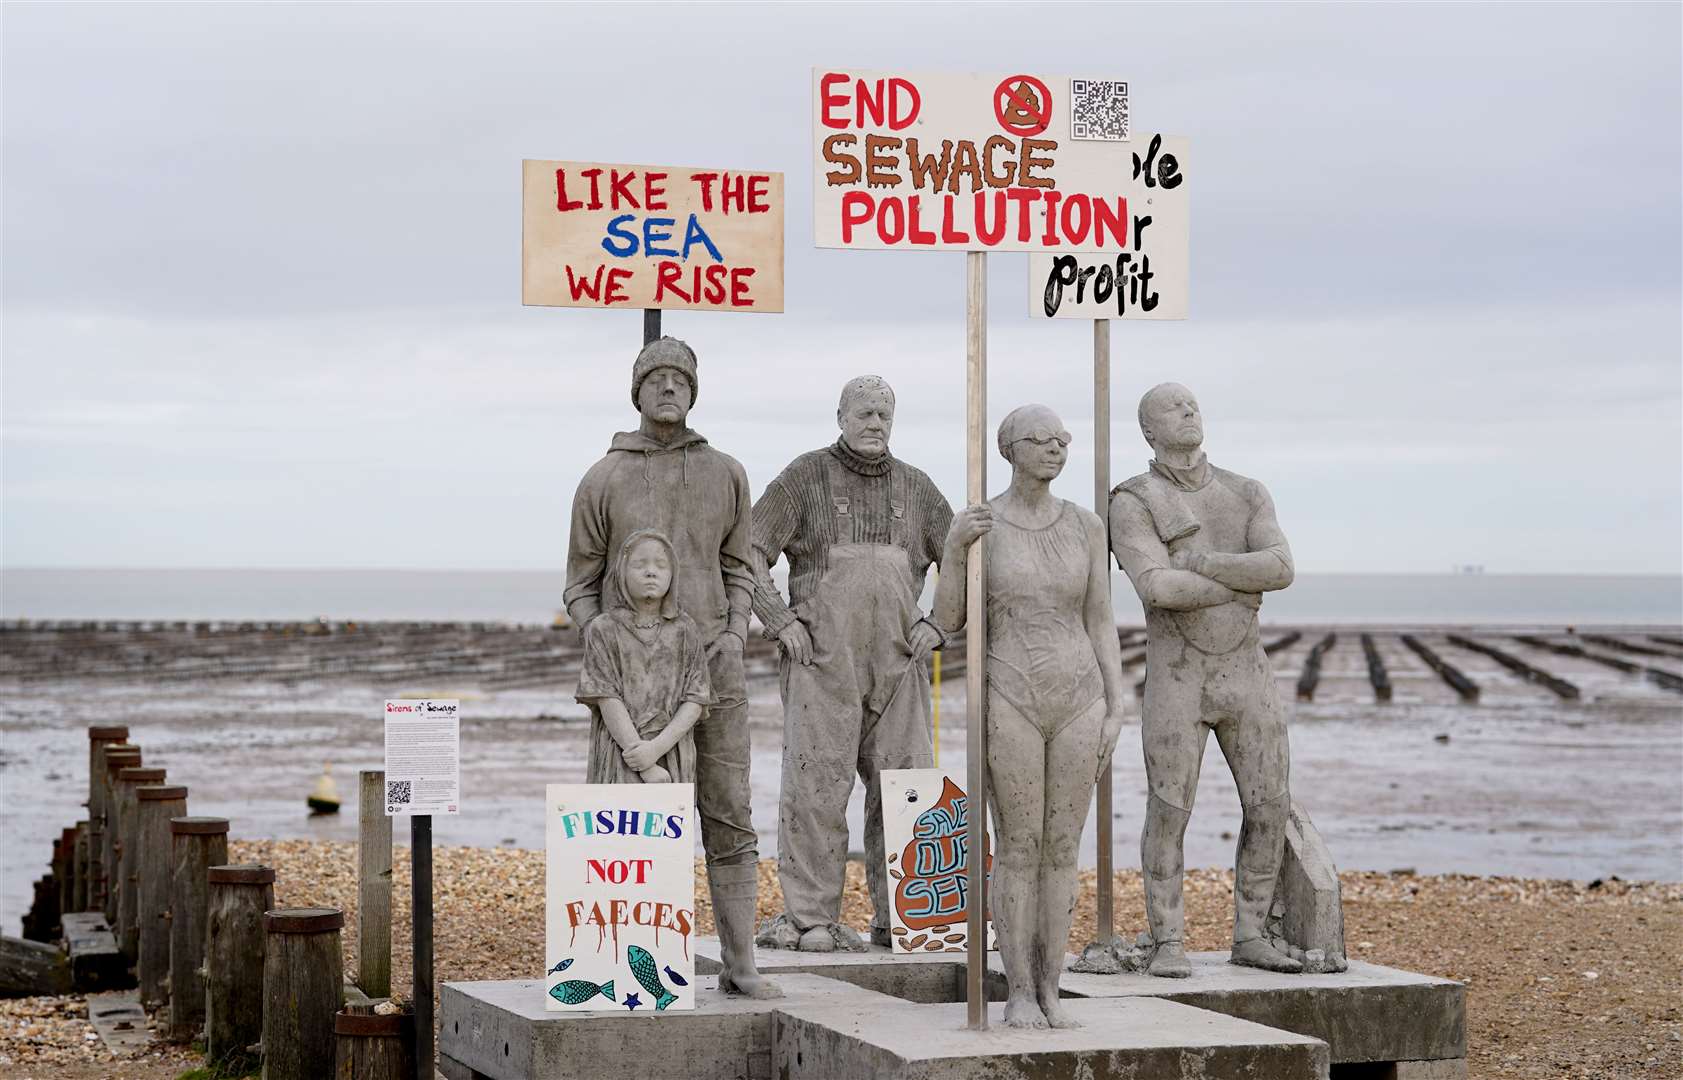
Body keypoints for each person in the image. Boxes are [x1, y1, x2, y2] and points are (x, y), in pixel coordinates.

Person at [564, 336, 778, 998]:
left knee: (728, 812)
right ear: (636, 390)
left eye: (679, 378)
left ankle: (740, 965)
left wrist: (735, 631)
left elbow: (742, 564)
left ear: (694, 390)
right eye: (654, 377)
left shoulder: (725, 472)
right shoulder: (603, 478)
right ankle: (618, 966)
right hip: (630, 690)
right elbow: (580, 584)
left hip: (715, 671)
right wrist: (609, 647)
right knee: (629, 816)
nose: (668, 387)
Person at [932, 404, 1128, 1029]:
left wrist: (1118, 702)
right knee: (1019, 844)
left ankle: (1052, 985)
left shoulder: (1086, 526)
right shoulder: (983, 523)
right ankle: (1017, 987)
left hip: (1079, 694)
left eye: (1062, 440)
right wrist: (955, 548)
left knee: (1062, 848)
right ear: (1009, 449)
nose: (1055, 449)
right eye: (1040, 440)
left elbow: (1100, 615)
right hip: (1011, 693)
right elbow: (948, 618)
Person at [750, 375, 952, 952]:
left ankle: (909, 919)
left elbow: (962, 558)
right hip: (821, 660)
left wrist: (938, 622)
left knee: (908, 786)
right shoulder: (803, 477)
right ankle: (812, 918)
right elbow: (748, 550)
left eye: (885, 414)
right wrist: (779, 619)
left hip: (899, 664)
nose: (875, 423)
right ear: (840, 415)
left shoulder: (917, 489)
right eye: (864, 412)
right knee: (815, 786)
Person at [1109, 382, 1300, 978]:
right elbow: (1158, 587)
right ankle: (1168, 939)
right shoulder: (1134, 500)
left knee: (1269, 803)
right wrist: (1245, 583)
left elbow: (1283, 568)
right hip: (1177, 677)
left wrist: (1207, 564)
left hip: (1247, 673)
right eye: (1172, 407)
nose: (1189, 411)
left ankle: (1251, 934)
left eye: (1192, 403)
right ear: (1149, 431)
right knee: (1170, 808)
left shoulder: (1246, 492)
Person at [577, 530, 709, 786]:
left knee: (669, 820)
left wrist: (656, 749)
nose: (651, 572)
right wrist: (643, 761)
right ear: (622, 571)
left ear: (673, 574)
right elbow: (606, 696)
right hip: (621, 752)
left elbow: (696, 699)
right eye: (640, 564)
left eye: (661, 565)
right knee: (616, 822)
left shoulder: (685, 629)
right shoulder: (604, 629)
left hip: (672, 751)